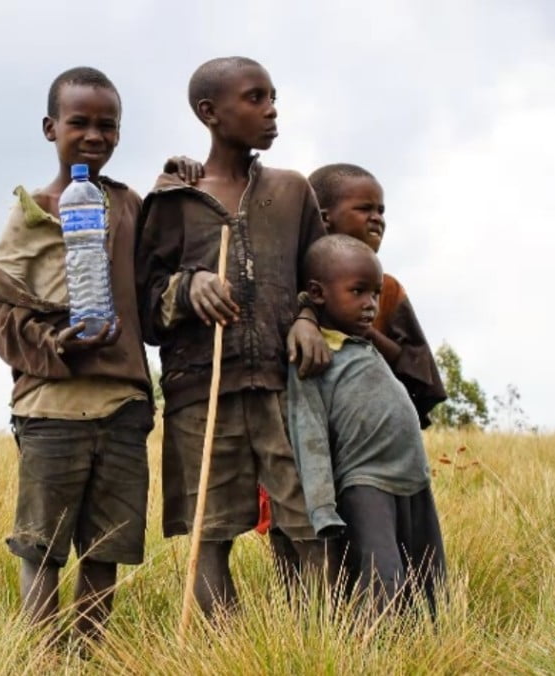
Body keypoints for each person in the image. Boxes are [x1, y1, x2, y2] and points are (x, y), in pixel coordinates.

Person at [135, 55, 332, 618]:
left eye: (273, 97)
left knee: (309, 525)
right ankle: (231, 652)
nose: (272, 112)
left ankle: (313, 646)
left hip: (284, 389)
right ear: (210, 113)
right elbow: (145, 309)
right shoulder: (171, 203)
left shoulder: (293, 192)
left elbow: (319, 280)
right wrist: (186, 286)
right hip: (202, 392)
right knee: (209, 533)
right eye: (255, 98)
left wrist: (304, 318)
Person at [0, 66, 156, 642]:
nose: (94, 136)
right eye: (79, 122)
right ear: (50, 128)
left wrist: (180, 179)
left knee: (108, 545)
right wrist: (58, 344)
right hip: (50, 406)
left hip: (123, 405)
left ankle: (89, 652)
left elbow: (155, 284)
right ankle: (41, 655)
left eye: (108, 125)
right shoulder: (31, 213)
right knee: (42, 546)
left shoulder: (129, 207)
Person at [287, 234, 446, 614]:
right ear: (317, 293)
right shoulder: (315, 353)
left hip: (413, 481)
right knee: (381, 581)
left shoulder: (363, 345)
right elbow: (307, 432)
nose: (371, 305)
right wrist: (323, 508)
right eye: (358, 292)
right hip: (365, 482)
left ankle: (426, 657)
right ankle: (371, 656)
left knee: (429, 580)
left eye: (375, 294)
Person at [307, 163, 446, 425]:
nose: (377, 218)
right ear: (325, 217)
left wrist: (367, 333)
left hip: (368, 428)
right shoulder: (291, 280)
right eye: (364, 209)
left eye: (381, 210)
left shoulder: (389, 290)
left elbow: (421, 379)